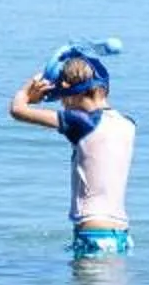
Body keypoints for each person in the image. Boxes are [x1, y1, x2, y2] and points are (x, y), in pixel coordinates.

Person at [10, 44, 135, 258]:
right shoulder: (128, 124)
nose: (63, 105)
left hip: (93, 234)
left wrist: (28, 92)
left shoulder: (81, 122)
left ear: (70, 94)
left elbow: (17, 110)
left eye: (61, 98)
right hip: (121, 235)